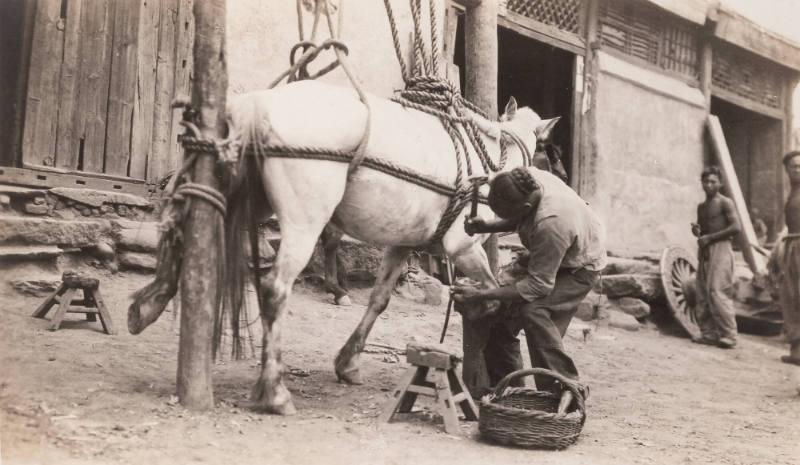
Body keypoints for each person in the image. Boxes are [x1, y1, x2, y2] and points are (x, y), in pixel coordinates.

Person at [451, 166, 606, 395]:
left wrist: (482, 294)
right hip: (558, 247)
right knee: (500, 312)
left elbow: (538, 285)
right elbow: (519, 214)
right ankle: (506, 388)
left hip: (580, 266)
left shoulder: (552, 223)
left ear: (524, 209)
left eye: (510, 216)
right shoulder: (525, 179)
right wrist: (487, 226)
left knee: (534, 311)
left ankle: (563, 388)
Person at [691, 166, 740, 349]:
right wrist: (697, 232)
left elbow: (736, 227)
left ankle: (729, 335)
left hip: (722, 248)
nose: (709, 185)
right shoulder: (702, 207)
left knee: (717, 290)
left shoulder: (725, 202)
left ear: (720, 183)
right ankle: (708, 333)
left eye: (713, 181)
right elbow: (703, 231)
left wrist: (710, 238)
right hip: (706, 250)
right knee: (702, 292)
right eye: (706, 181)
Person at [775, 151, 800, 365]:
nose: (798, 170)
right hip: (792, 247)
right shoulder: (792, 193)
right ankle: (796, 350)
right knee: (791, 298)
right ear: (787, 170)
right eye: (794, 166)